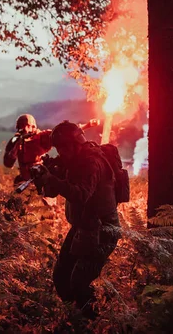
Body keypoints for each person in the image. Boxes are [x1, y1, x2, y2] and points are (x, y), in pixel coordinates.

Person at [31, 120, 121, 318]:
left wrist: (52, 179)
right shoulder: (71, 162)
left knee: (80, 282)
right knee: (61, 277)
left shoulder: (91, 162)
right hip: (84, 226)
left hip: (103, 230)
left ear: (75, 145)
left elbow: (81, 194)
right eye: (59, 148)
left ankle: (95, 321)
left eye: (64, 148)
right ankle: (76, 318)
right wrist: (45, 179)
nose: (61, 153)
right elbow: (54, 191)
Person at [3, 114, 52, 184]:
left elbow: (59, 137)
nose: (23, 129)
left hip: (41, 177)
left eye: (26, 126)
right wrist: (15, 148)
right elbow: (8, 164)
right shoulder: (15, 140)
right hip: (25, 179)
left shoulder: (42, 136)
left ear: (33, 127)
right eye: (20, 126)